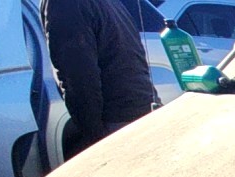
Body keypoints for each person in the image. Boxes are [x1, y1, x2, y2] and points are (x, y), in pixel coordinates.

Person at [40, 0, 158, 152]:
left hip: (118, 124)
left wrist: (95, 140)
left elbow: (78, 79)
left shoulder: (64, 4)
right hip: (142, 113)